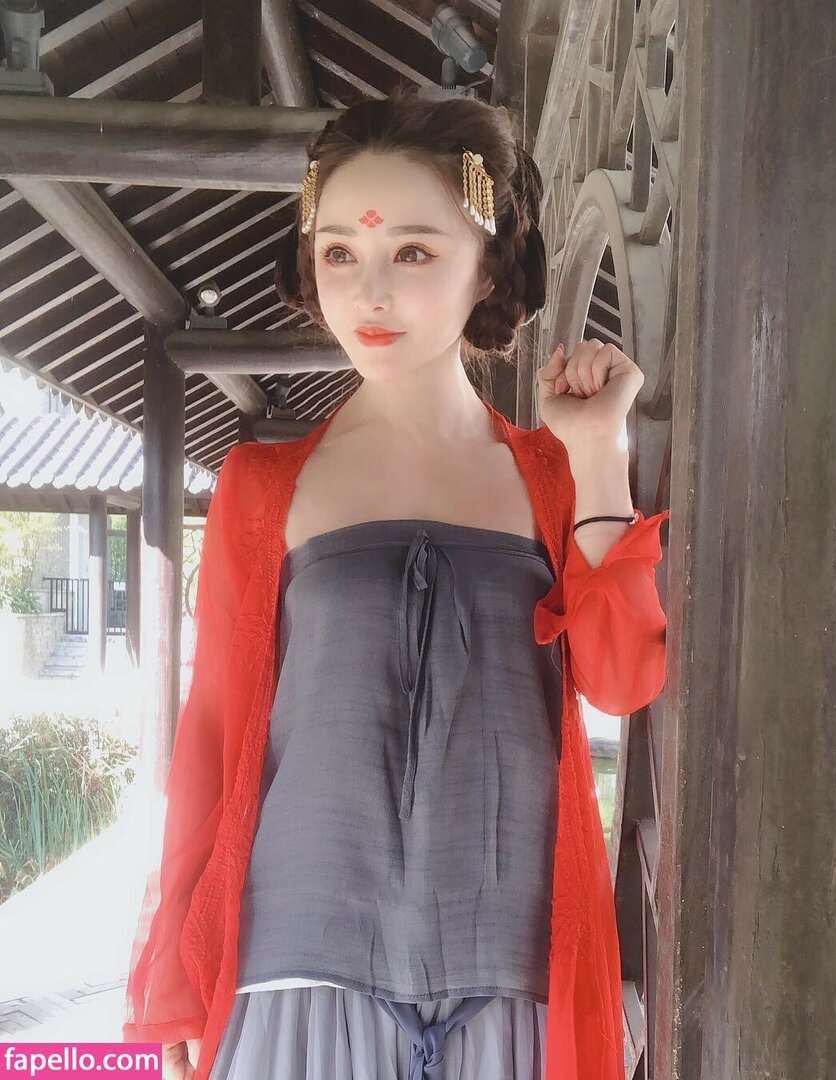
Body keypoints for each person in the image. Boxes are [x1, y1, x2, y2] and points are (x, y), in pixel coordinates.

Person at [122, 83, 670, 1080]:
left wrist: (598, 457)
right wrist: (177, 978)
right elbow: (211, 738)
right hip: (294, 976)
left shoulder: (551, 477)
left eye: (413, 252)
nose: (369, 292)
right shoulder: (263, 486)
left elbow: (623, 678)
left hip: (511, 979)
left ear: (485, 265)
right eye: (341, 253)